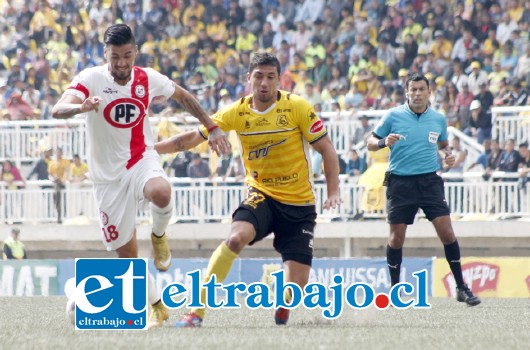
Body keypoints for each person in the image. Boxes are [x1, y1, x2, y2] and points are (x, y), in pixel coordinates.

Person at [51, 24, 230, 328]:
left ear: (135, 52)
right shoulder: (90, 79)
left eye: (127, 56)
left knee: (161, 191)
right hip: (107, 178)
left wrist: (211, 126)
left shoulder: (147, 78)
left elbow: (184, 97)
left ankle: (159, 236)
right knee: (128, 256)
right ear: (105, 54)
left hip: (140, 158)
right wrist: (81, 107)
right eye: (115, 57)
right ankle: (157, 306)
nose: (121, 63)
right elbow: (58, 109)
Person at [155, 52, 342, 327]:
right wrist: (152, 150)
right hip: (261, 194)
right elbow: (191, 138)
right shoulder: (237, 112)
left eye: (270, 77)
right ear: (248, 79)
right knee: (235, 238)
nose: (264, 83)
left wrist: (333, 191)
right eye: (258, 76)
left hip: (299, 204)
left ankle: (283, 302)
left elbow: (327, 149)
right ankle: (196, 312)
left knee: (297, 286)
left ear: (279, 80)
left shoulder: (298, 107)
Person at [366, 73, 481, 306]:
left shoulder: (438, 119)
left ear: (429, 92)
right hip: (400, 182)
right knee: (396, 239)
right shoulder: (392, 115)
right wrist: (383, 141)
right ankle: (395, 290)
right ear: (406, 93)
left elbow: (443, 143)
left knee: (447, 233)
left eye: (421, 89)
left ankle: (461, 287)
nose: (417, 93)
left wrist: (447, 155)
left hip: (429, 181)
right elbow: (370, 142)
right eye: (413, 90)